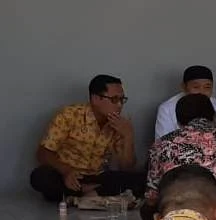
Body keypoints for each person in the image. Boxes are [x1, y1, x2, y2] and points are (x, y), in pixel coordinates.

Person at [30, 74, 144, 202]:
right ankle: (91, 193)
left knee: (141, 179)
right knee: (40, 177)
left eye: (122, 100)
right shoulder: (69, 115)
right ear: (95, 99)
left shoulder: (120, 124)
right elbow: (43, 153)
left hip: (96, 176)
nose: (119, 105)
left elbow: (127, 168)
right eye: (114, 99)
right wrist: (66, 171)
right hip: (67, 174)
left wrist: (128, 136)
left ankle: (78, 195)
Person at [154, 66, 216, 139]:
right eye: (196, 87)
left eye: (207, 87)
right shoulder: (167, 108)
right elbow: (162, 141)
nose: (202, 92)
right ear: (183, 87)